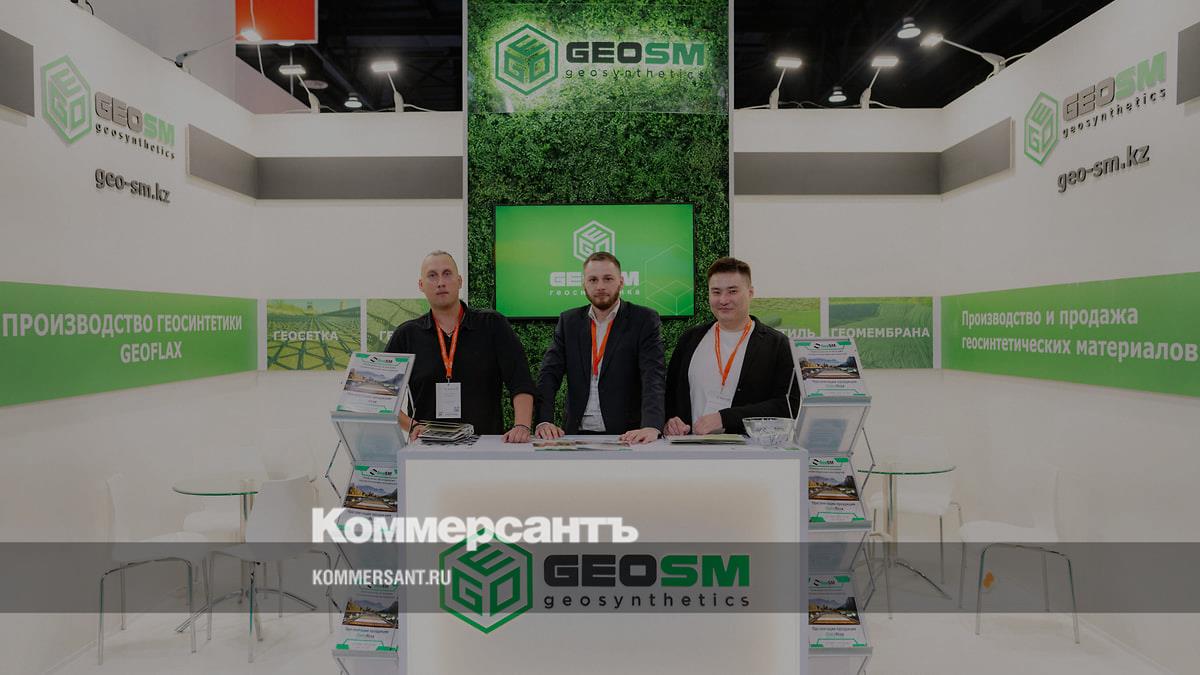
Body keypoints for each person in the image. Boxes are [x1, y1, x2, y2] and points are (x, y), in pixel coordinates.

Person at [385, 250, 535, 442]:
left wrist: (522, 425)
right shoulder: (406, 335)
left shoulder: (492, 325)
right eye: (432, 275)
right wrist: (413, 425)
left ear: (460, 281)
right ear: (421, 285)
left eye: (447, 274)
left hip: (485, 446)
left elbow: (521, 381)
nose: (440, 282)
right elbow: (385, 397)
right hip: (427, 448)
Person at [534, 252, 665, 444]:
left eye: (608, 279)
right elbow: (549, 374)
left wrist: (651, 426)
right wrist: (544, 421)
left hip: (627, 436)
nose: (600, 286)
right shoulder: (569, 322)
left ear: (621, 282)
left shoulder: (644, 319)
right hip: (574, 434)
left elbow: (653, 375)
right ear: (584, 284)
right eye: (593, 279)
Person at [664, 256, 799, 436]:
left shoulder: (777, 345)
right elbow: (669, 394)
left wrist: (726, 418)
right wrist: (670, 420)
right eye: (716, 292)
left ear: (750, 293)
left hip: (749, 450)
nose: (723, 300)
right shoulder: (690, 340)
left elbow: (787, 405)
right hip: (691, 447)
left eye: (732, 291)